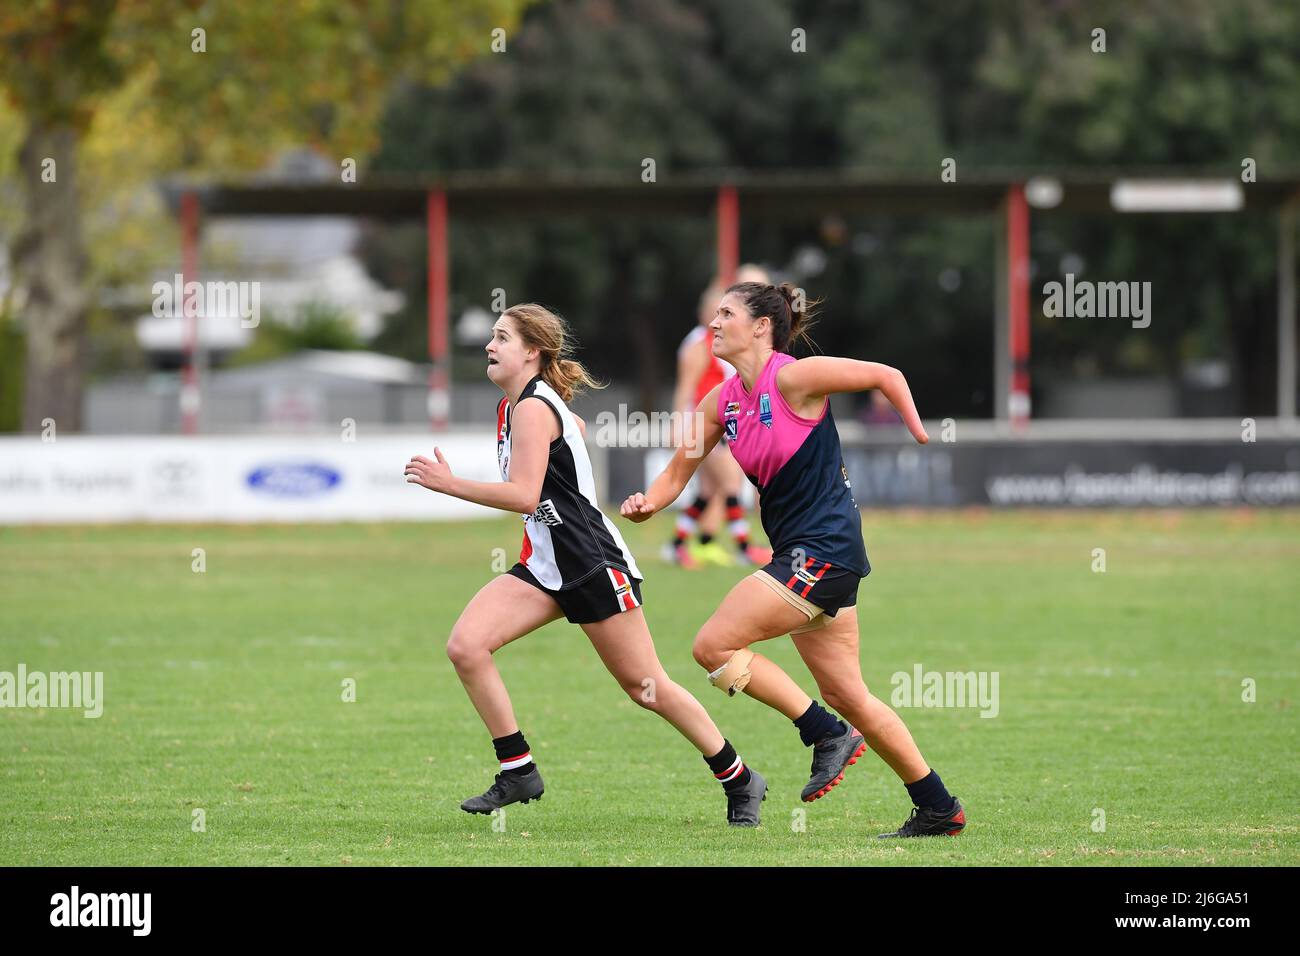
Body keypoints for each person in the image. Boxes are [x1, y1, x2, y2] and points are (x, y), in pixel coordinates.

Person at [620, 282, 966, 837]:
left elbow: (886, 376)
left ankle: (823, 733)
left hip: (823, 551)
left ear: (760, 326)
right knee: (849, 694)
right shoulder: (721, 402)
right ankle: (938, 807)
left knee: (713, 645)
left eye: (726, 313)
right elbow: (677, 473)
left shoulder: (793, 377)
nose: (713, 323)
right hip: (803, 556)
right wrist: (648, 504)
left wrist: (919, 430)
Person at [405, 303, 767, 826]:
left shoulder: (530, 407)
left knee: (647, 688)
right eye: (492, 335)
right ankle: (518, 768)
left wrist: (450, 483)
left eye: (502, 338)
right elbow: (568, 426)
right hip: (545, 565)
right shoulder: (518, 407)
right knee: (466, 645)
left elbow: (526, 495)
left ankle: (740, 777)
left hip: (593, 564)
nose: (490, 345)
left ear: (531, 352)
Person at [664, 266, 774, 569]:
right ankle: (744, 547)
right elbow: (686, 389)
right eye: (720, 312)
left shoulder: (713, 343)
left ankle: (678, 546)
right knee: (730, 483)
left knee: (709, 490)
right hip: (704, 425)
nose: (722, 319)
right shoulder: (699, 345)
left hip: (715, 423)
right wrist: (679, 424)